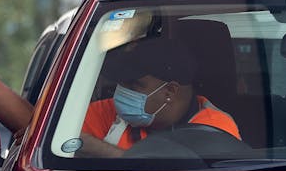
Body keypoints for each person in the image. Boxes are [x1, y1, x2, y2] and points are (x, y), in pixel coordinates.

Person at [79, 36, 241, 157]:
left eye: (133, 84)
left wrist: (106, 152)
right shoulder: (109, 110)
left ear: (170, 91)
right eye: (121, 82)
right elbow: (65, 137)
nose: (122, 91)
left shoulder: (215, 130)